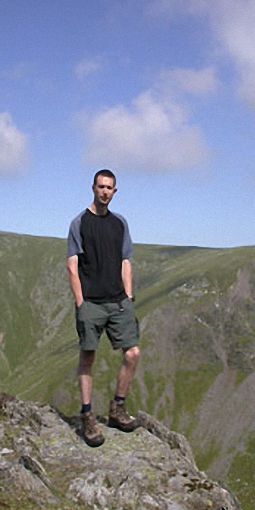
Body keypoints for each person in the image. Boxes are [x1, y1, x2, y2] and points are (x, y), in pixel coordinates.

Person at [67, 169, 140, 447]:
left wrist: (128, 296)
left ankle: (117, 409)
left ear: (115, 191)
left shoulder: (120, 223)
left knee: (132, 353)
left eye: (110, 188)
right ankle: (87, 415)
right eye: (101, 186)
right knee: (88, 357)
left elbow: (125, 261)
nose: (105, 192)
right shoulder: (79, 223)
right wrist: (80, 303)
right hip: (92, 304)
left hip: (118, 301)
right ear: (93, 188)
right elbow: (72, 265)